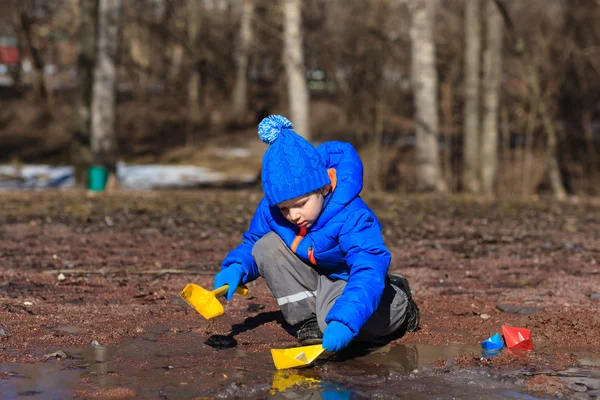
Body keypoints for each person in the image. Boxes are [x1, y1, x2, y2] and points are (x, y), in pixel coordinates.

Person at [214, 115, 420, 352]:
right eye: (284, 208)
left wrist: (344, 320)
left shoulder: (351, 215)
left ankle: (400, 306)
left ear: (323, 188)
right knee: (265, 246)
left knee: (339, 319)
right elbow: (253, 242)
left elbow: (367, 267)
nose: (292, 215)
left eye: (300, 204)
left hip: (350, 279)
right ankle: (308, 321)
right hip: (316, 276)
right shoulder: (274, 210)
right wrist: (238, 266)